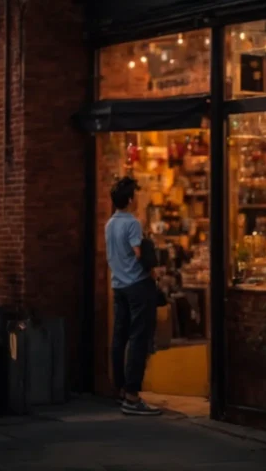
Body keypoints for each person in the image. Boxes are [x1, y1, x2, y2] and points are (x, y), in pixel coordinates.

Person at [106, 177, 161, 416]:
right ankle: (132, 395)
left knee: (120, 337)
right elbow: (138, 253)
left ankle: (120, 389)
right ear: (130, 199)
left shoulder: (109, 224)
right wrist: (153, 270)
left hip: (118, 286)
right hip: (138, 286)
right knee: (139, 338)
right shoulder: (132, 223)